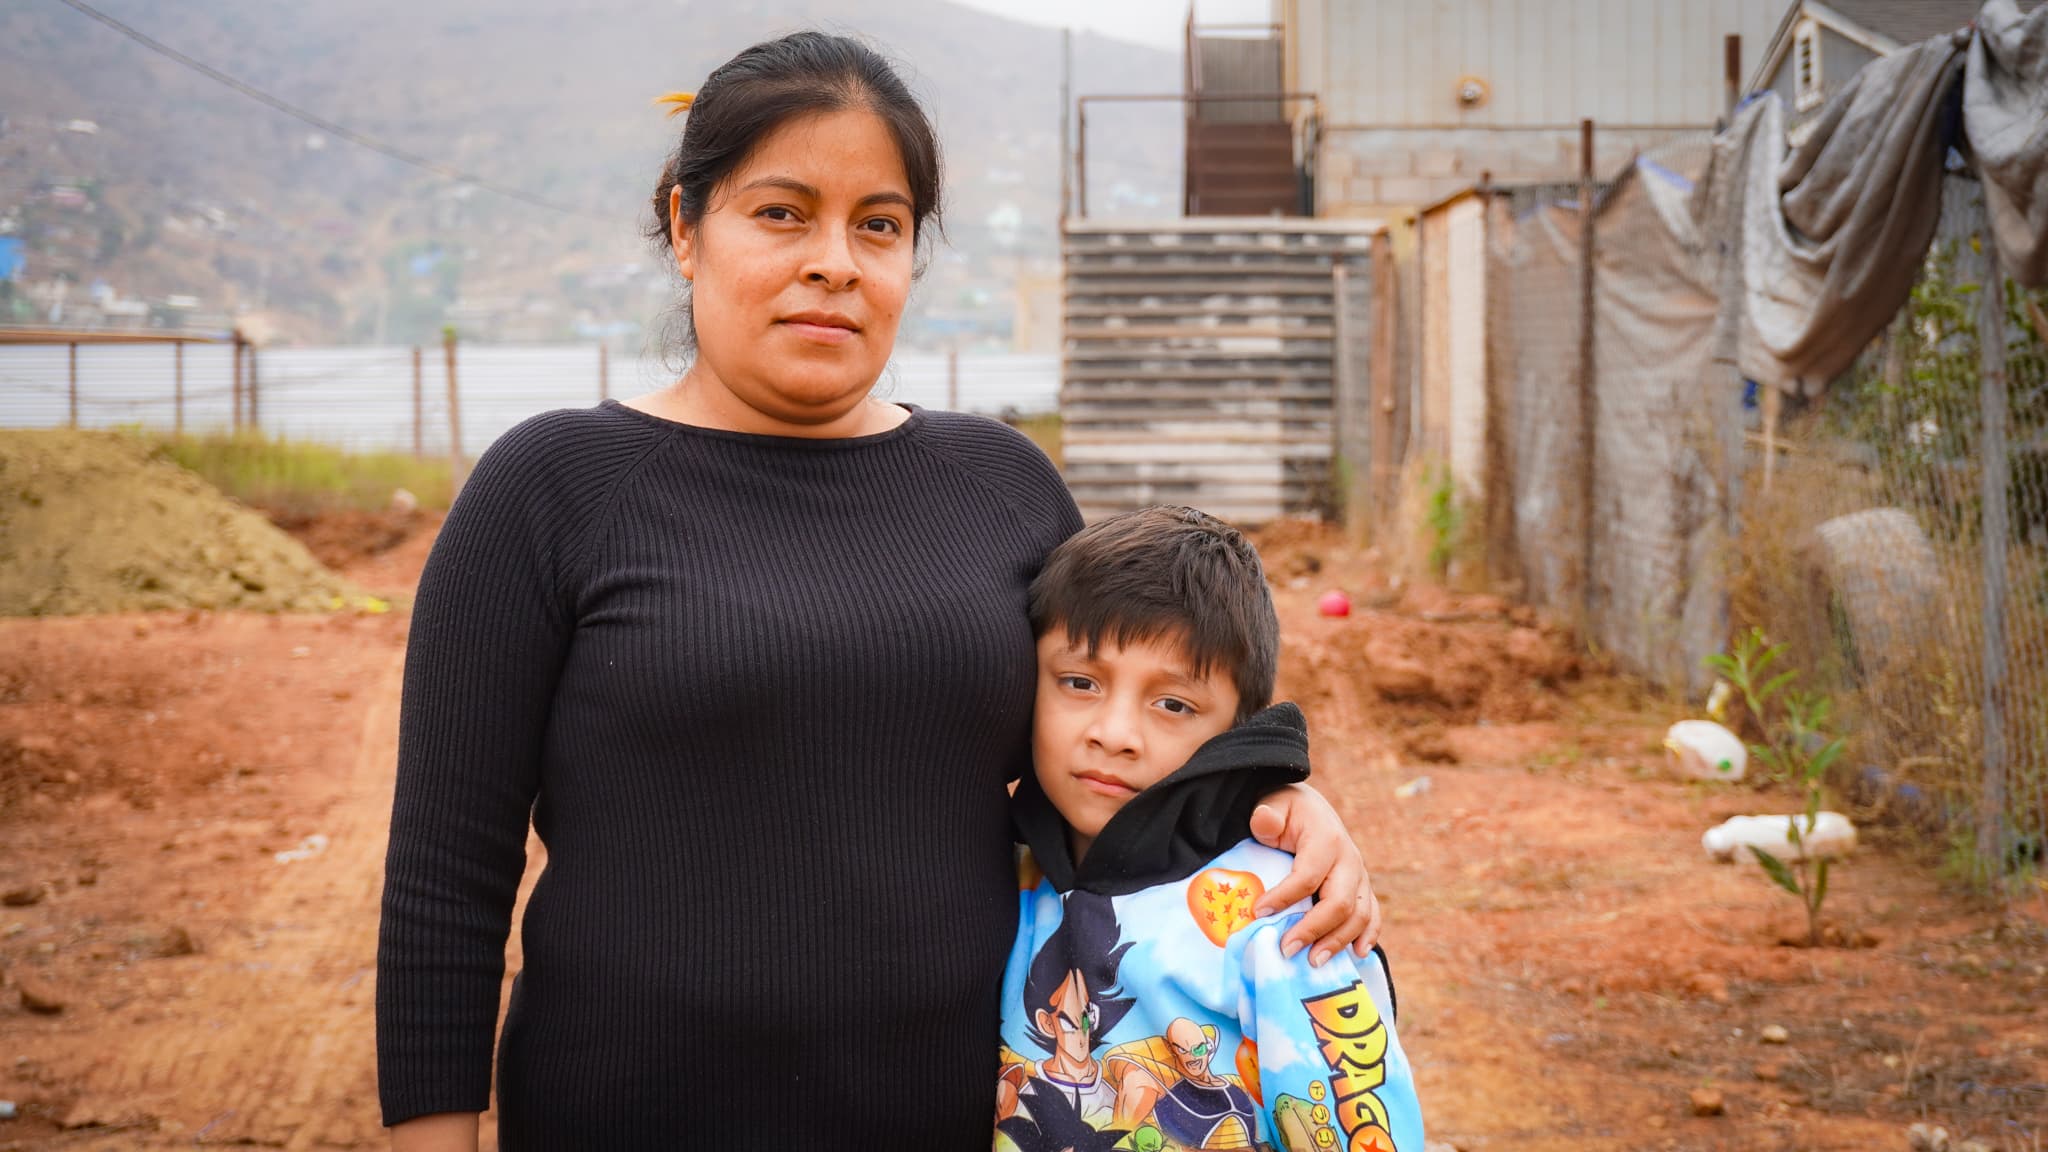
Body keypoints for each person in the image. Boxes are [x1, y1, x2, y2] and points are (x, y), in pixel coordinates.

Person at [376, 32, 1380, 1151]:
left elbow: (1108, 754)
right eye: (780, 213)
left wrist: (1275, 813)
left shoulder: (1000, 485)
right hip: (631, 1113)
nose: (834, 262)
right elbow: (444, 880)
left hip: (957, 1117)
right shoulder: (551, 487)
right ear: (682, 227)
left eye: (878, 225)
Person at [996, 507, 1424, 1152]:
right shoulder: (1002, 867)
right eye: (1079, 682)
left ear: (1235, 731)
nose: (1113, 734)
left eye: (1173, 704)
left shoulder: (1279, 917)